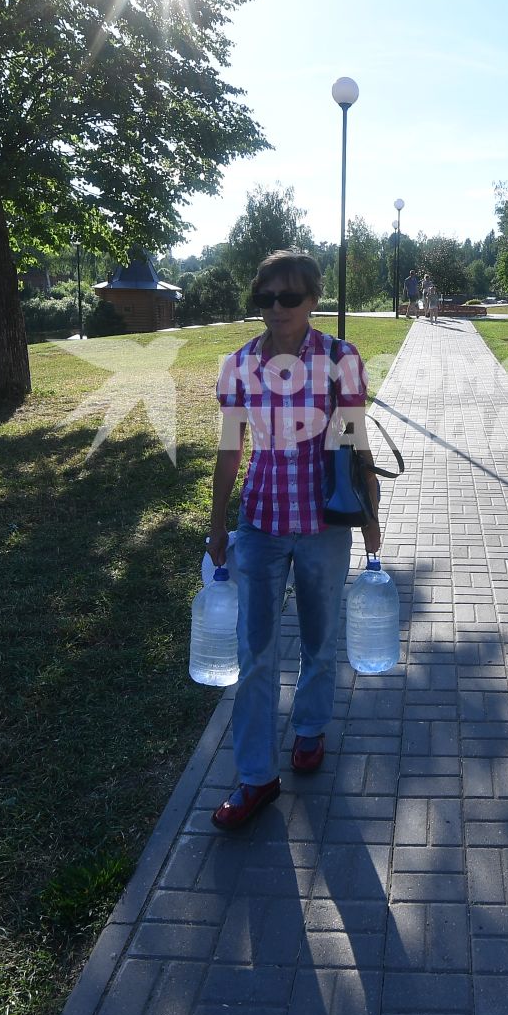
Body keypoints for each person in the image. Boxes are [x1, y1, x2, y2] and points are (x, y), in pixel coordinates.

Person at [208, 250, 381, 830]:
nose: (277, 309)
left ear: (312, 299)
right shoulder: (238, 366)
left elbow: (355, 440)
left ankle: (309, 729)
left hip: (324, 526)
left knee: (319, 638)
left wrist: (372, 514)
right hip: (259, 523)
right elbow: (232, 447)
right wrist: (216, 523)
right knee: (254, 654)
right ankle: (256, 777)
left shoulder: (338, 358)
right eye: (266, 298)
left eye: (290, 297)